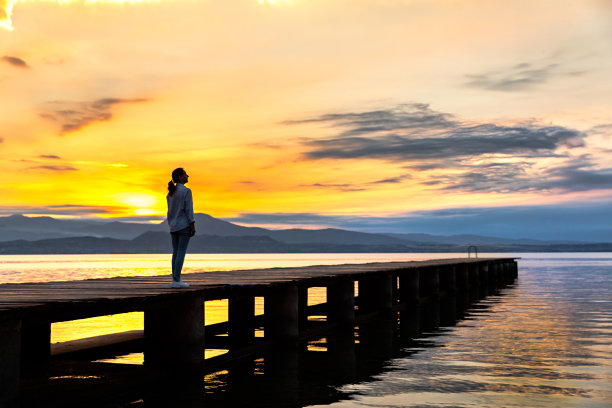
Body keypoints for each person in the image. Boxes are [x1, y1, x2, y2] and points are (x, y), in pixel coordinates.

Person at [167, 168, 195, 288]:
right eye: (185, 175)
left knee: (175, 253)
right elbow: (188, 210)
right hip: (183, 226)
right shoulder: (186, 191)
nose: (188, 176)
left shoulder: (170, 193)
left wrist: (171, 224)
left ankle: (175, 279)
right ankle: (177, 280)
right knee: (181, 252)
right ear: (180, 177)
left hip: (173, 226)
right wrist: (192, 225)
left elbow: (169, 212)